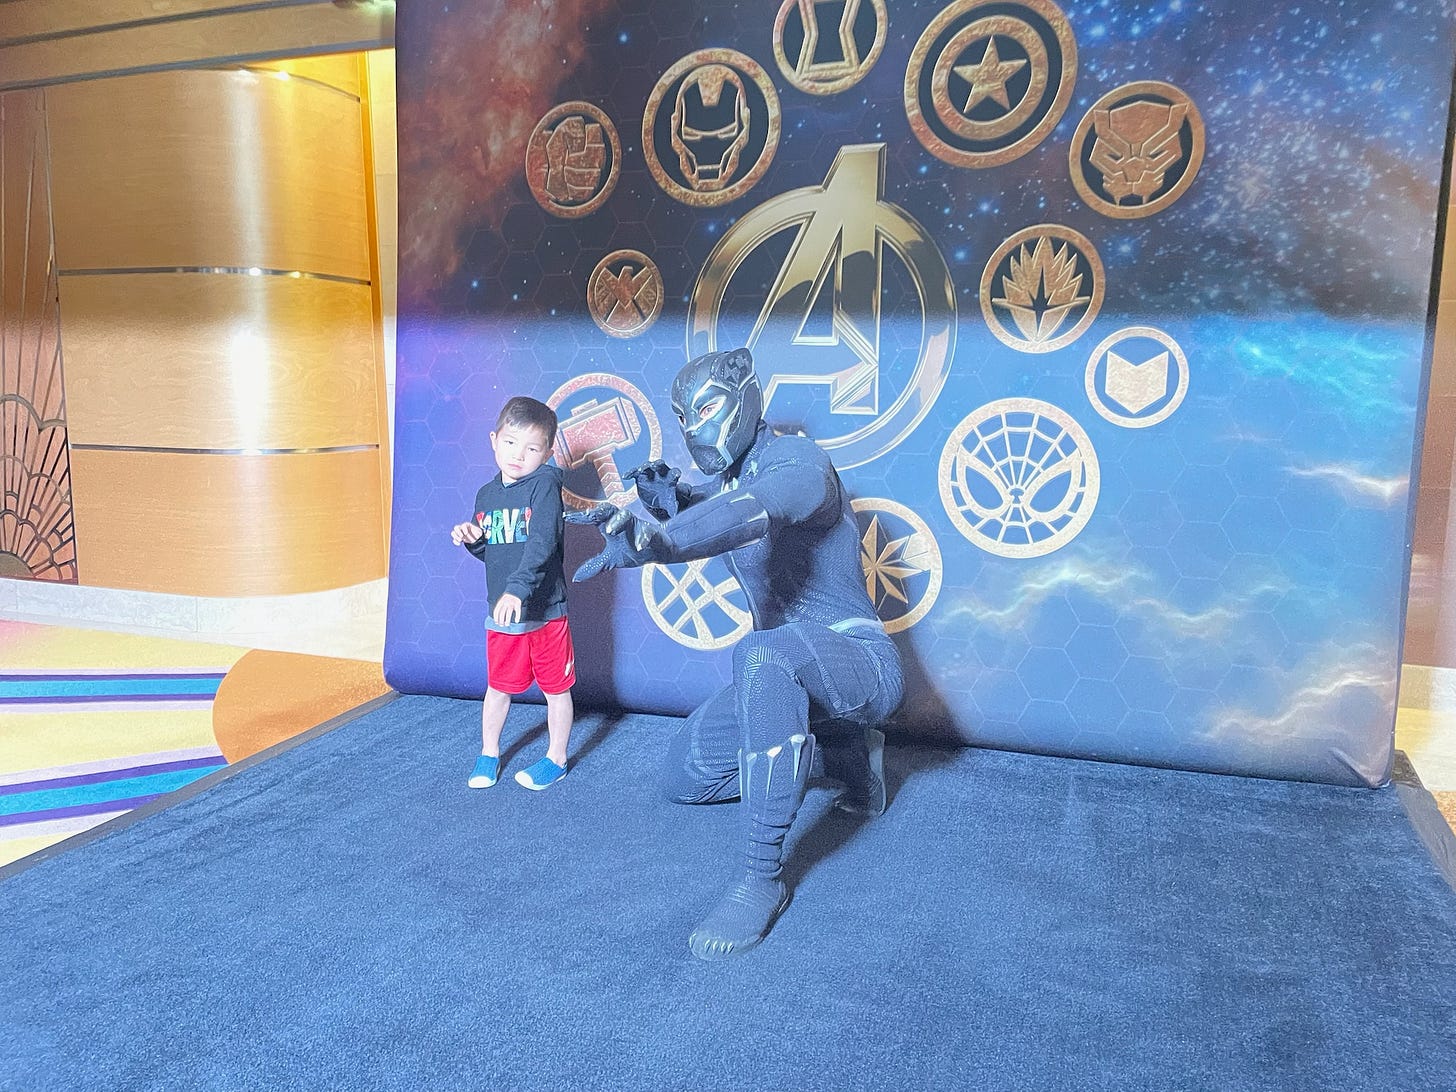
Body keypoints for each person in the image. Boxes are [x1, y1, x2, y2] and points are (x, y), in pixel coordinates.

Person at [569, 347, 904, 960]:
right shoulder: (732, 480)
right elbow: (722, 502)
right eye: (684, 418)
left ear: (747, 399)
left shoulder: (801, 462)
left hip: (860, 662)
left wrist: (664, 538)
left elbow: (756, 510)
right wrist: (672, 502)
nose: (695, 430)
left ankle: (761, 878)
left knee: (761, 654)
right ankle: (844, 753)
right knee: (685, 775)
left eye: (708, 410)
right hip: (783, 672)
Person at [451, 396, 575, 791]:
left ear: (548, 453)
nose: (518, 455)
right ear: (494, 440)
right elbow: (494, 551)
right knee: (498, 687)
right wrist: (474, 539)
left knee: (557, 690)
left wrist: (517, 591)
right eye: (510, 443)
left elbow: (542, 544)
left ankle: (557, 758)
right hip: (503, 612)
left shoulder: (545, 486)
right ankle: (489, 753)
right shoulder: (486, 495)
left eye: (532, 448)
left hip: (546, 611)